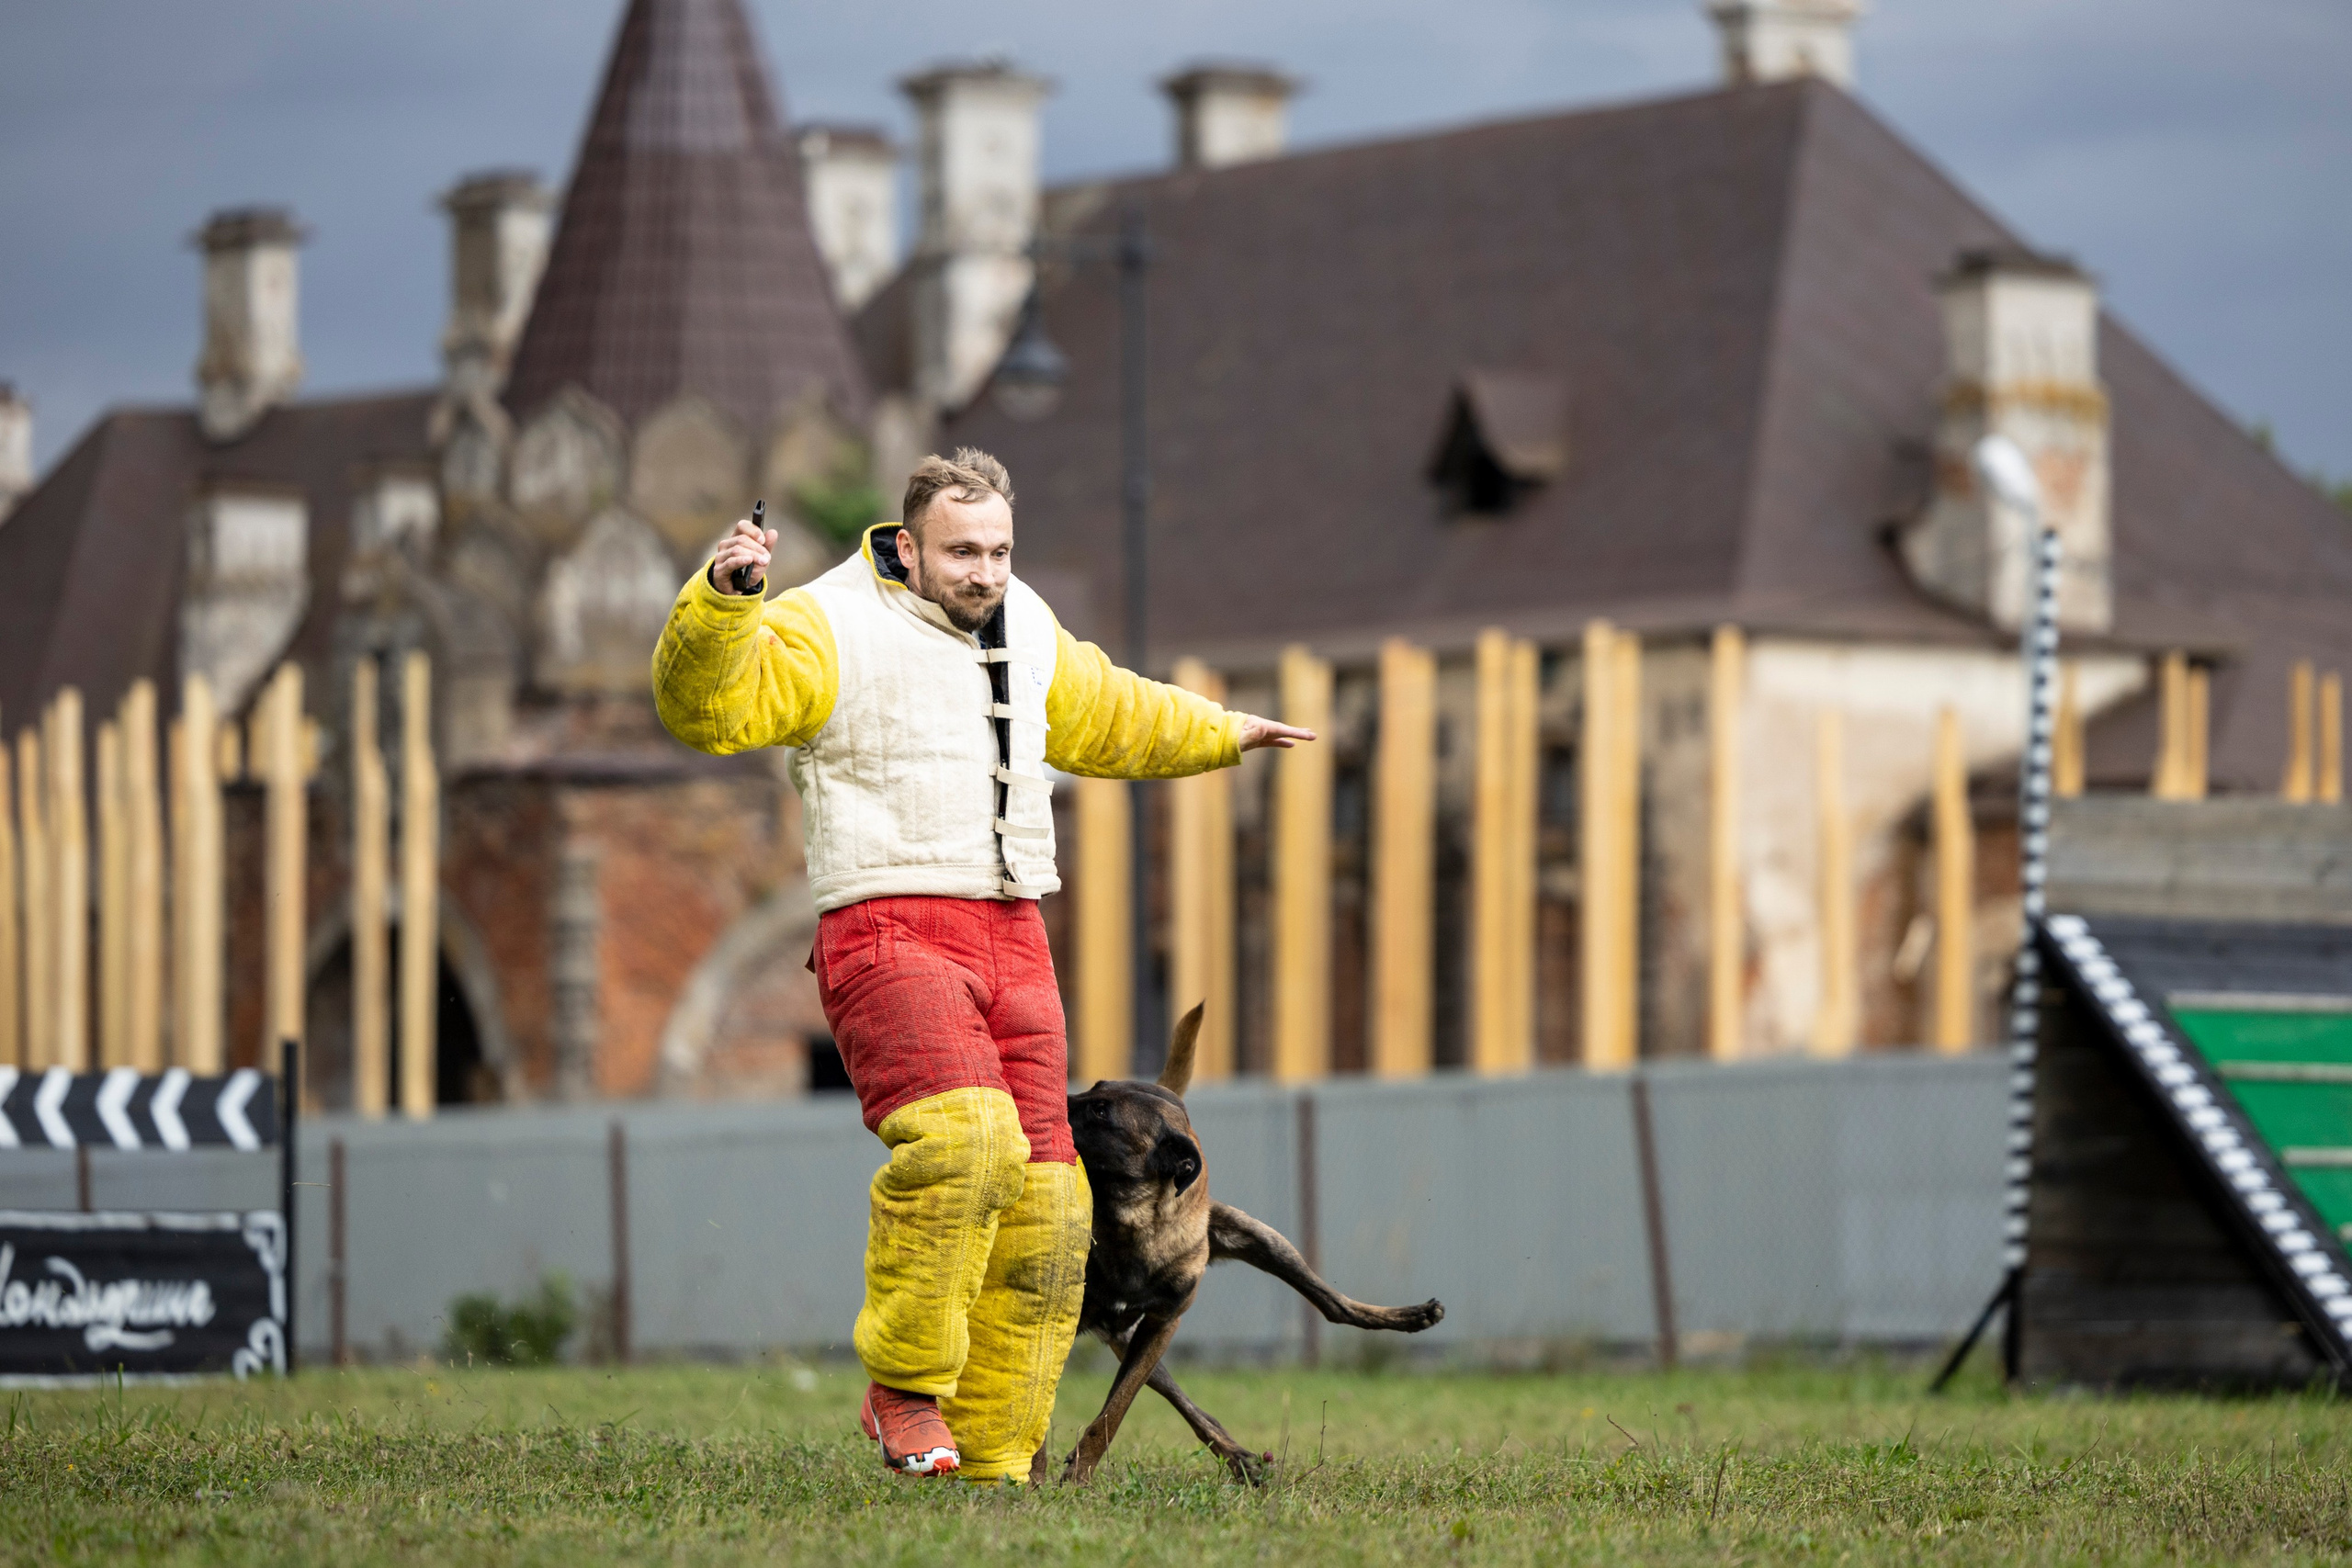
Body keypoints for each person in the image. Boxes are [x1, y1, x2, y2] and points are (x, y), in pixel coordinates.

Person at [652, 449, 1312, 1482]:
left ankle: (997, 1460)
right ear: (908, 546)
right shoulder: (829, 621)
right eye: (963, 552)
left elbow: (1104, 709)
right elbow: (709, 709)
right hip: (886, 926)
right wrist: (723, 606)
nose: (985, 573)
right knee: (967, 1147)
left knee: (1052, 1204)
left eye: (1000, 550)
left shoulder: (1025, 621)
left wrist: (1223, 731)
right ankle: (905, 1395)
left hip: (1013, 933)